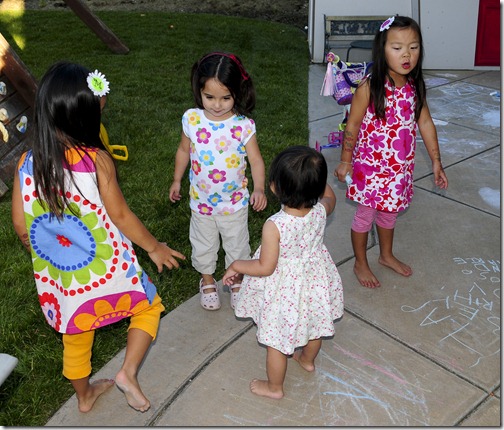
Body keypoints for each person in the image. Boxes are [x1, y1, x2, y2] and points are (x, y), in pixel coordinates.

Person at [11, 62, 186, 414]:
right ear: (84, 119)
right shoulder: (96, 162)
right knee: (148, 306)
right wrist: (154, 247)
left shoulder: (27, 163)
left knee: (76, 337)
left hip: (64, 276)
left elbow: (20, 224)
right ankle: (128, 372)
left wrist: (41, 249)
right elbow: (121, 216)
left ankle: (84, 396)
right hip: (109, 268)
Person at [334, 15, 448, 289]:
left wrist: (436, 161)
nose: (406, 54)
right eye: (397, 48)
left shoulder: (414, 87)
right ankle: (360, 262)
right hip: (369, 170)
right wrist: (345, 161)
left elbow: (425, 123)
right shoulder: (370, 86)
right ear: (382, 49)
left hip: (398, 171)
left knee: (390, 213)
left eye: (413, 47)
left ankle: (386, 255)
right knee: (365, 216)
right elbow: (353, 125)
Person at [223, 145, 344, 399]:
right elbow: (330, 197)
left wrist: (237, 265)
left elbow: (265, 267)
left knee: (276, 341)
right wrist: (315, 180)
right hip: (314, 281)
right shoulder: (322, 210)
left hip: (285, 290)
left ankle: (274, 387)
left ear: (275, 188)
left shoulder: (275, 225)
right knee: (315, 325)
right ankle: (307, 360)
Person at [169, 52, 267, 311]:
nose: (216, 105)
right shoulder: (192, 119)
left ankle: (236, 279)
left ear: (237, 93)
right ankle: (207, 280)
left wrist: (259, 188)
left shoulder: (242, 125)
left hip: (234, 202)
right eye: (209, 97)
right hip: (201, 202)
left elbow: (256, 160)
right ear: (199, 91)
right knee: (203, 244)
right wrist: (177, 179)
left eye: (226, 98)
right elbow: (183, 151)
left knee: (237, 244)